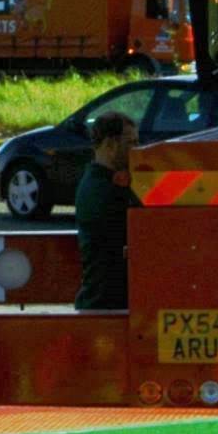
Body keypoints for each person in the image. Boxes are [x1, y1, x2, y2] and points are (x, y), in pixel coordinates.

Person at [74, 112, 140, 311]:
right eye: (131, 143)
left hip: (105, 302)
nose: (137, 150)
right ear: (110, 145)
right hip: (105, 304)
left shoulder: (99, 182)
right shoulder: (102, 189)